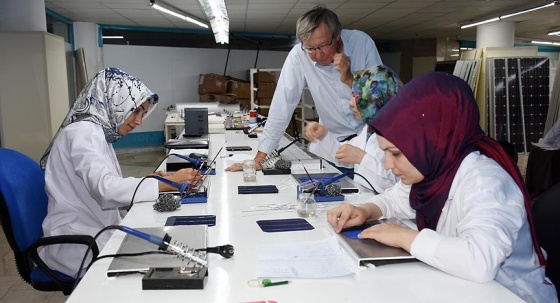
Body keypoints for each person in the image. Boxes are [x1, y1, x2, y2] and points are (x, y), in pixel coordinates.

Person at [327, 72, 558, 303]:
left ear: (431, 140)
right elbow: (397, 199)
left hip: (511, 294)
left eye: (395, 153)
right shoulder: (436, 169)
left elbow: (480, 261)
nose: (388, 164)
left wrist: (403, 237)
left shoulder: (485, 181)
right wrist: (366, 210)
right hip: (462, 287)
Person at [39, 67, 201, 277]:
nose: (138, 121)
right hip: (78, 242)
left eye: (143, 113)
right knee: (162, 265)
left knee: (163, 249)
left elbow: (106, 185)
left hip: (94, 227)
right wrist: (166, 184)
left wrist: (147, 180)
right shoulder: (83, 133)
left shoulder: (99, 132)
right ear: (113, 100)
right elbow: (106, 191)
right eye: (135, 111)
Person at [226, 5, 382, 172]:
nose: (318, 54)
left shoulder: (362, 43)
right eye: (311, 49)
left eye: (323, 46)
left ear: (338, 36)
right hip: (333, 145)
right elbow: (282, 105)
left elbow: (381, 98)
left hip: (371, 143)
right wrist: (259, 159)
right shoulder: (298, 55)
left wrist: (350, 79)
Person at [305, 65, 400, 193]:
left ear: (374, 99)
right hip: (367, 202)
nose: (351, 103)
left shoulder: (401, 135)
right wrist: (323, 136)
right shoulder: (371, 129)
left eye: (356, 96)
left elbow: (397, 185)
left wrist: (361, 158)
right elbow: (345, 154)